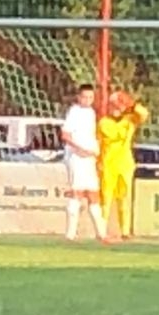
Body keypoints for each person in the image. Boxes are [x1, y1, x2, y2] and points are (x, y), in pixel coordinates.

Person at [98, 90, 149, 240]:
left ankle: (125, 231)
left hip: (125, 164)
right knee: (106, 199)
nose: (116, 107)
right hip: (108, 164)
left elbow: (144, 114)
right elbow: (109, 138)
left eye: (119, 104)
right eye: (113, 104)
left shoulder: (130, 119)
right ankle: (101, 230)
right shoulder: (103, 122)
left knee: (124, 198)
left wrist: (131, 105)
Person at [60, 83, 106, 241]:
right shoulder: (74, 112)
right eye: (84, 97)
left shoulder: (91, 113)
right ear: (78, 97)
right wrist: (80, 150)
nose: (87, 100)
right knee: (77, 193)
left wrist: (94, 151)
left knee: (93, 194)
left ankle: (101, 233)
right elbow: (65, 135)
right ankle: (70, 234)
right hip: (77, 157)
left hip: (89, 158)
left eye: (90, 97)